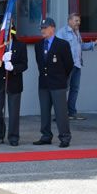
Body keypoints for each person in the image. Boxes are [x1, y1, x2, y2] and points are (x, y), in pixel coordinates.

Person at [34, 17, 73, 148]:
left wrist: (61, 78)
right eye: (41, 28)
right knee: (44, 112)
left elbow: (69, 65)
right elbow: (40, 64)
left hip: (58, 84)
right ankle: (46, 136)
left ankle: (65, 137)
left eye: (45, 28)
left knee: (61, 112)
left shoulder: (62, 44)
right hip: (44, 84)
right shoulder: (38, 45)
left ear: (52, 28)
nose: (42, 30)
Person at [56, 13, 97, 119]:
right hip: (67, 66)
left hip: (77, 65)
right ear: (69, 21)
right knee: (63, 89)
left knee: (75, 89)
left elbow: (81, 46)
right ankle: (61, 114)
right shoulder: (62, 33)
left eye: (79, 20)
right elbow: (57, 49)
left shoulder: (77, 32)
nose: (79, 23)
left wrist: (94, 43)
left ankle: (72, 112)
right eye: (76, 20)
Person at [0, 26, 28, 145]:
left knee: (14, 112)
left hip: (14, 82)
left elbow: (24, 65)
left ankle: (13, 136)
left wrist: (13, 68)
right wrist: (1, 59)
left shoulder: (21, 45)